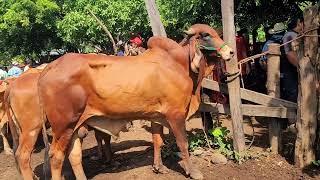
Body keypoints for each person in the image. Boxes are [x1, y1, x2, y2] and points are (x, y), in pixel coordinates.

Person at [281, 14, 304, 103]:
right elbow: (290, 55)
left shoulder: (296, 35)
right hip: (291, 72)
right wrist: (301, 68)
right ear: (299, 23)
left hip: (293, 71)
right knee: (293, 96)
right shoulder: (290, 35)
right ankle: (291, 117)